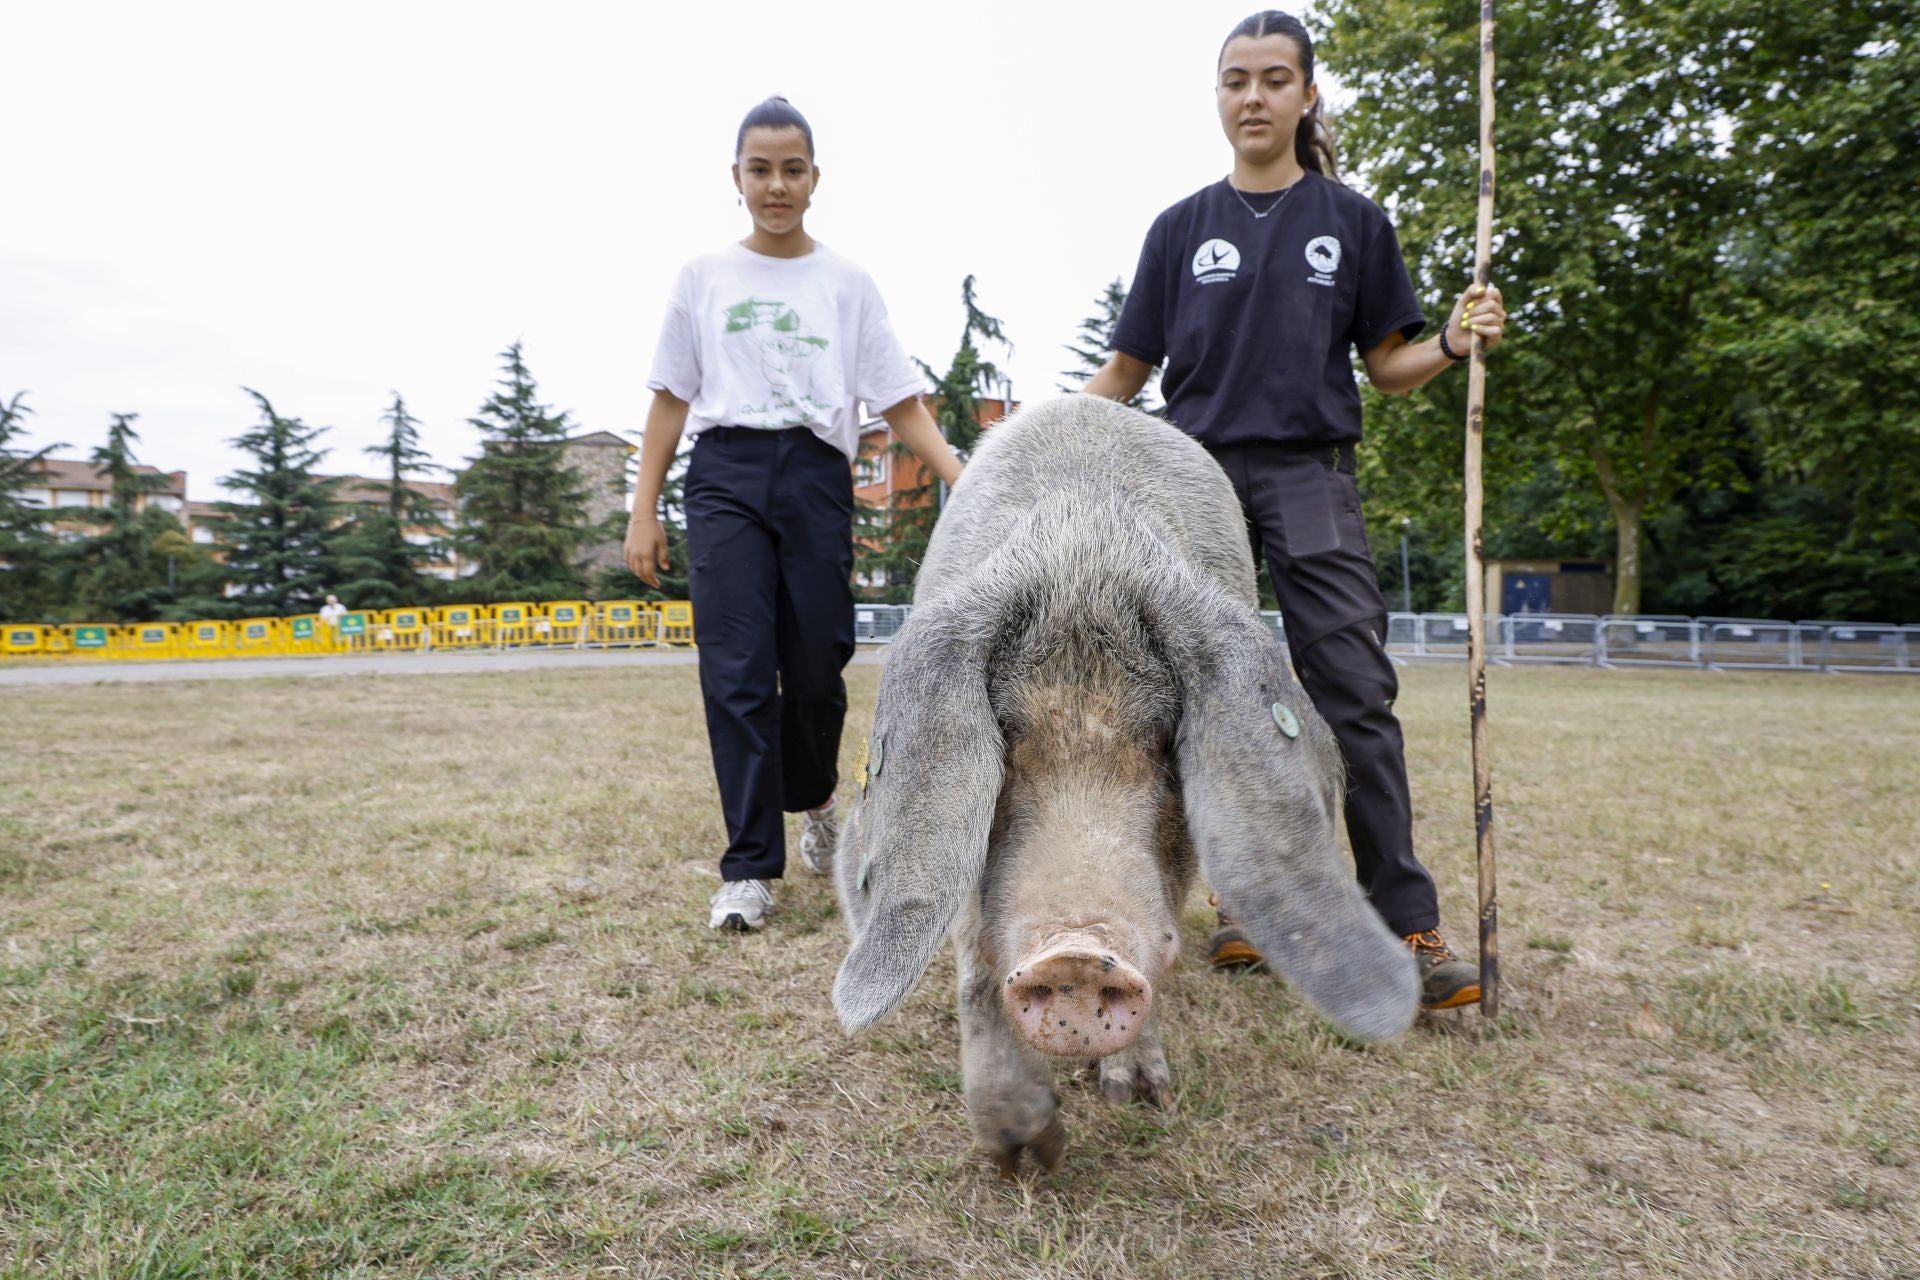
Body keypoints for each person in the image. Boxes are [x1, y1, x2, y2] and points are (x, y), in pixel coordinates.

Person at [1083, 10, 1509, 1010]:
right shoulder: (1179, 229)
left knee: (1355, 692)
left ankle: (1406, 919)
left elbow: (1389, 367)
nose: (1255, 97)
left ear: (1307, 95)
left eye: (1277, 79)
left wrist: (1450, 339)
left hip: (1311, 476)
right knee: (1203, 698)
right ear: (1219, 96)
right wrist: (1031, 446)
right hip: (1191, 486)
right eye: (1238, 79)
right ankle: (1243, 905)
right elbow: (1124, 373)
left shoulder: (1352, 221)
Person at [625, 96, 964, 933]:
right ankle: (747, 870)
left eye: (792, 169)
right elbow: (670, 401)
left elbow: (900, 402)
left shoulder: (846, 285)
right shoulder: (703, 278)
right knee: (736, 672)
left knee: (817, 665)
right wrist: (644, 510)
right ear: (735, 179)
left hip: (815, 475)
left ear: (815, 179)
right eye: (759, 169)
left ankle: (813, 798)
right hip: (726, 474)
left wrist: (969, 474)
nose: (776, 185)